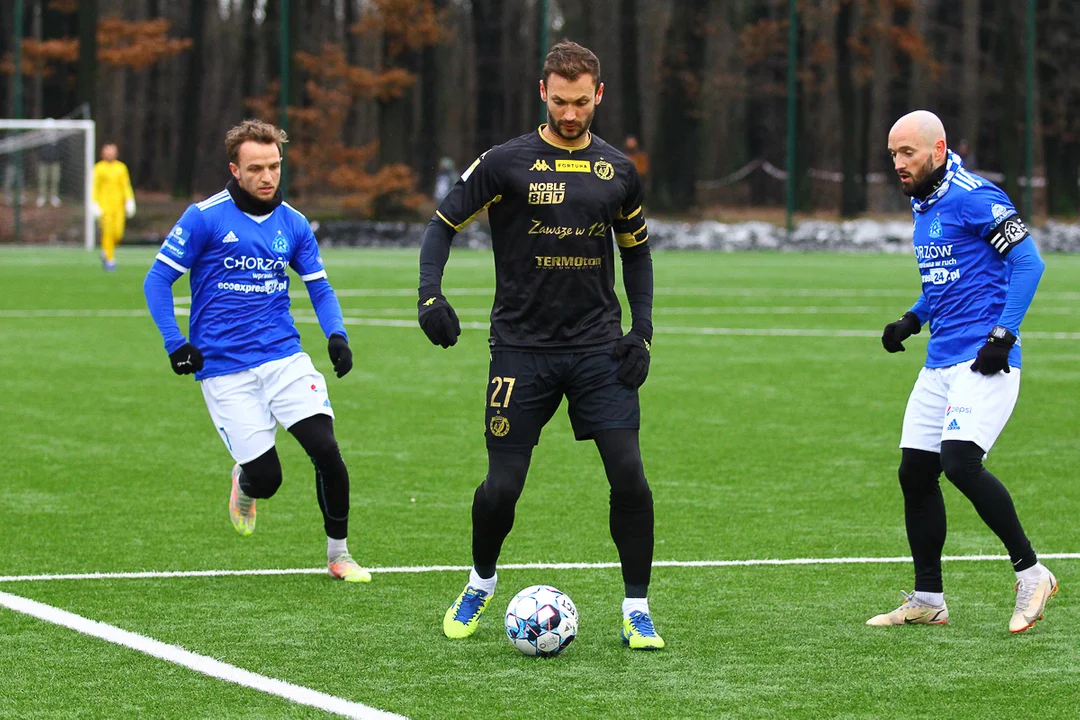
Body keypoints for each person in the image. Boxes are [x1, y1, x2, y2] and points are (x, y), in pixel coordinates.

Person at [418, 40, 662, 650]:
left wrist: (643, 332)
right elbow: (441, 227)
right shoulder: (504, 162)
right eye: (561, 101)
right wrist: (430, 296)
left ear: (599, 95)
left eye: (582, 102)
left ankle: (637, 609)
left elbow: (637, 254)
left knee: (630, 477)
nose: (571, 113)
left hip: (598, 348)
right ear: (542, 94)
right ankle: (479, 581)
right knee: (502, 487)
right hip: (521, 349)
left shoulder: (617, 170)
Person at [143, 119, 370, 583]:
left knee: (326, 450)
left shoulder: (295, 224)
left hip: (283, 358)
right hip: (224, 369)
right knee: (268, 480)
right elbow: (157, 280)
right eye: (256, 168)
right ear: (235, 169)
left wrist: (337, 335)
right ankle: (244, 485)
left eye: (274, 166)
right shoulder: (204, 217)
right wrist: (176, 343)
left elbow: (320, 288)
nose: (268, 177)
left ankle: (339, 554)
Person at [870, 110, 1054, 633]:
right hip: (939, 362)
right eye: (893, 155)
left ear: (938, 148)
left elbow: (1029, 263)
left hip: (983, 359)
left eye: (908, 153)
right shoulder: (923, 202)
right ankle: (928, 598)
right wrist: (913, 318)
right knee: (915, 473)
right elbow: (949, 276)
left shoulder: (976, 196)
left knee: (960, 463)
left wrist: (1003, 334)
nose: (899, 164)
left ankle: (1032, 572)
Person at [92, 143, 136, 271]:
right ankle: (110, 259)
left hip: (119, 206)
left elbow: (125, 186)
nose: (110, 154)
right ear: (102, 153)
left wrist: (129, 200)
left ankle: (106, 250)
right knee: (108, 232)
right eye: (107, 151)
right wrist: (94, 203)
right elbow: (94, 187)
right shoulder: (98, 168)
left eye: (112, 151)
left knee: (118, 233)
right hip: (104, 206)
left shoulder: (121, 168)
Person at [36, 122, 63, 208]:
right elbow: (37, 148)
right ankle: (42, 197)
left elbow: (62, 149)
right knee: (42, 179)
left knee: (55, 179)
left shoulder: (58, 137)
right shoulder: (41, 137)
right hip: (43, 162)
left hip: (55, 162)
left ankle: (54, 197)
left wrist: (58, 157)